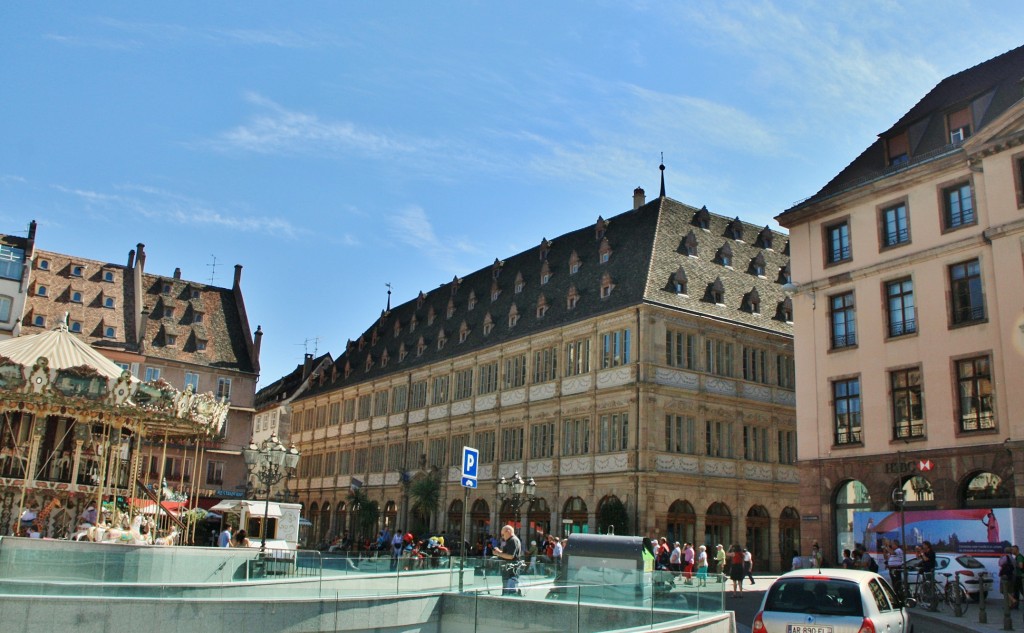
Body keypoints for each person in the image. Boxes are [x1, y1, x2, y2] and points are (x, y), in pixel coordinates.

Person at [494, 524, 523, 596]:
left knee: (510, 591)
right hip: (509, 569)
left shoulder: (513, 540)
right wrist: (499, 552)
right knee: (508, 589)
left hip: (511, 569)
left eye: (503, 534)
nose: (502, 537)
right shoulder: (512, 540)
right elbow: (508, 554)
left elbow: (510, 556)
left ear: (508, 531)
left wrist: (498, 553)